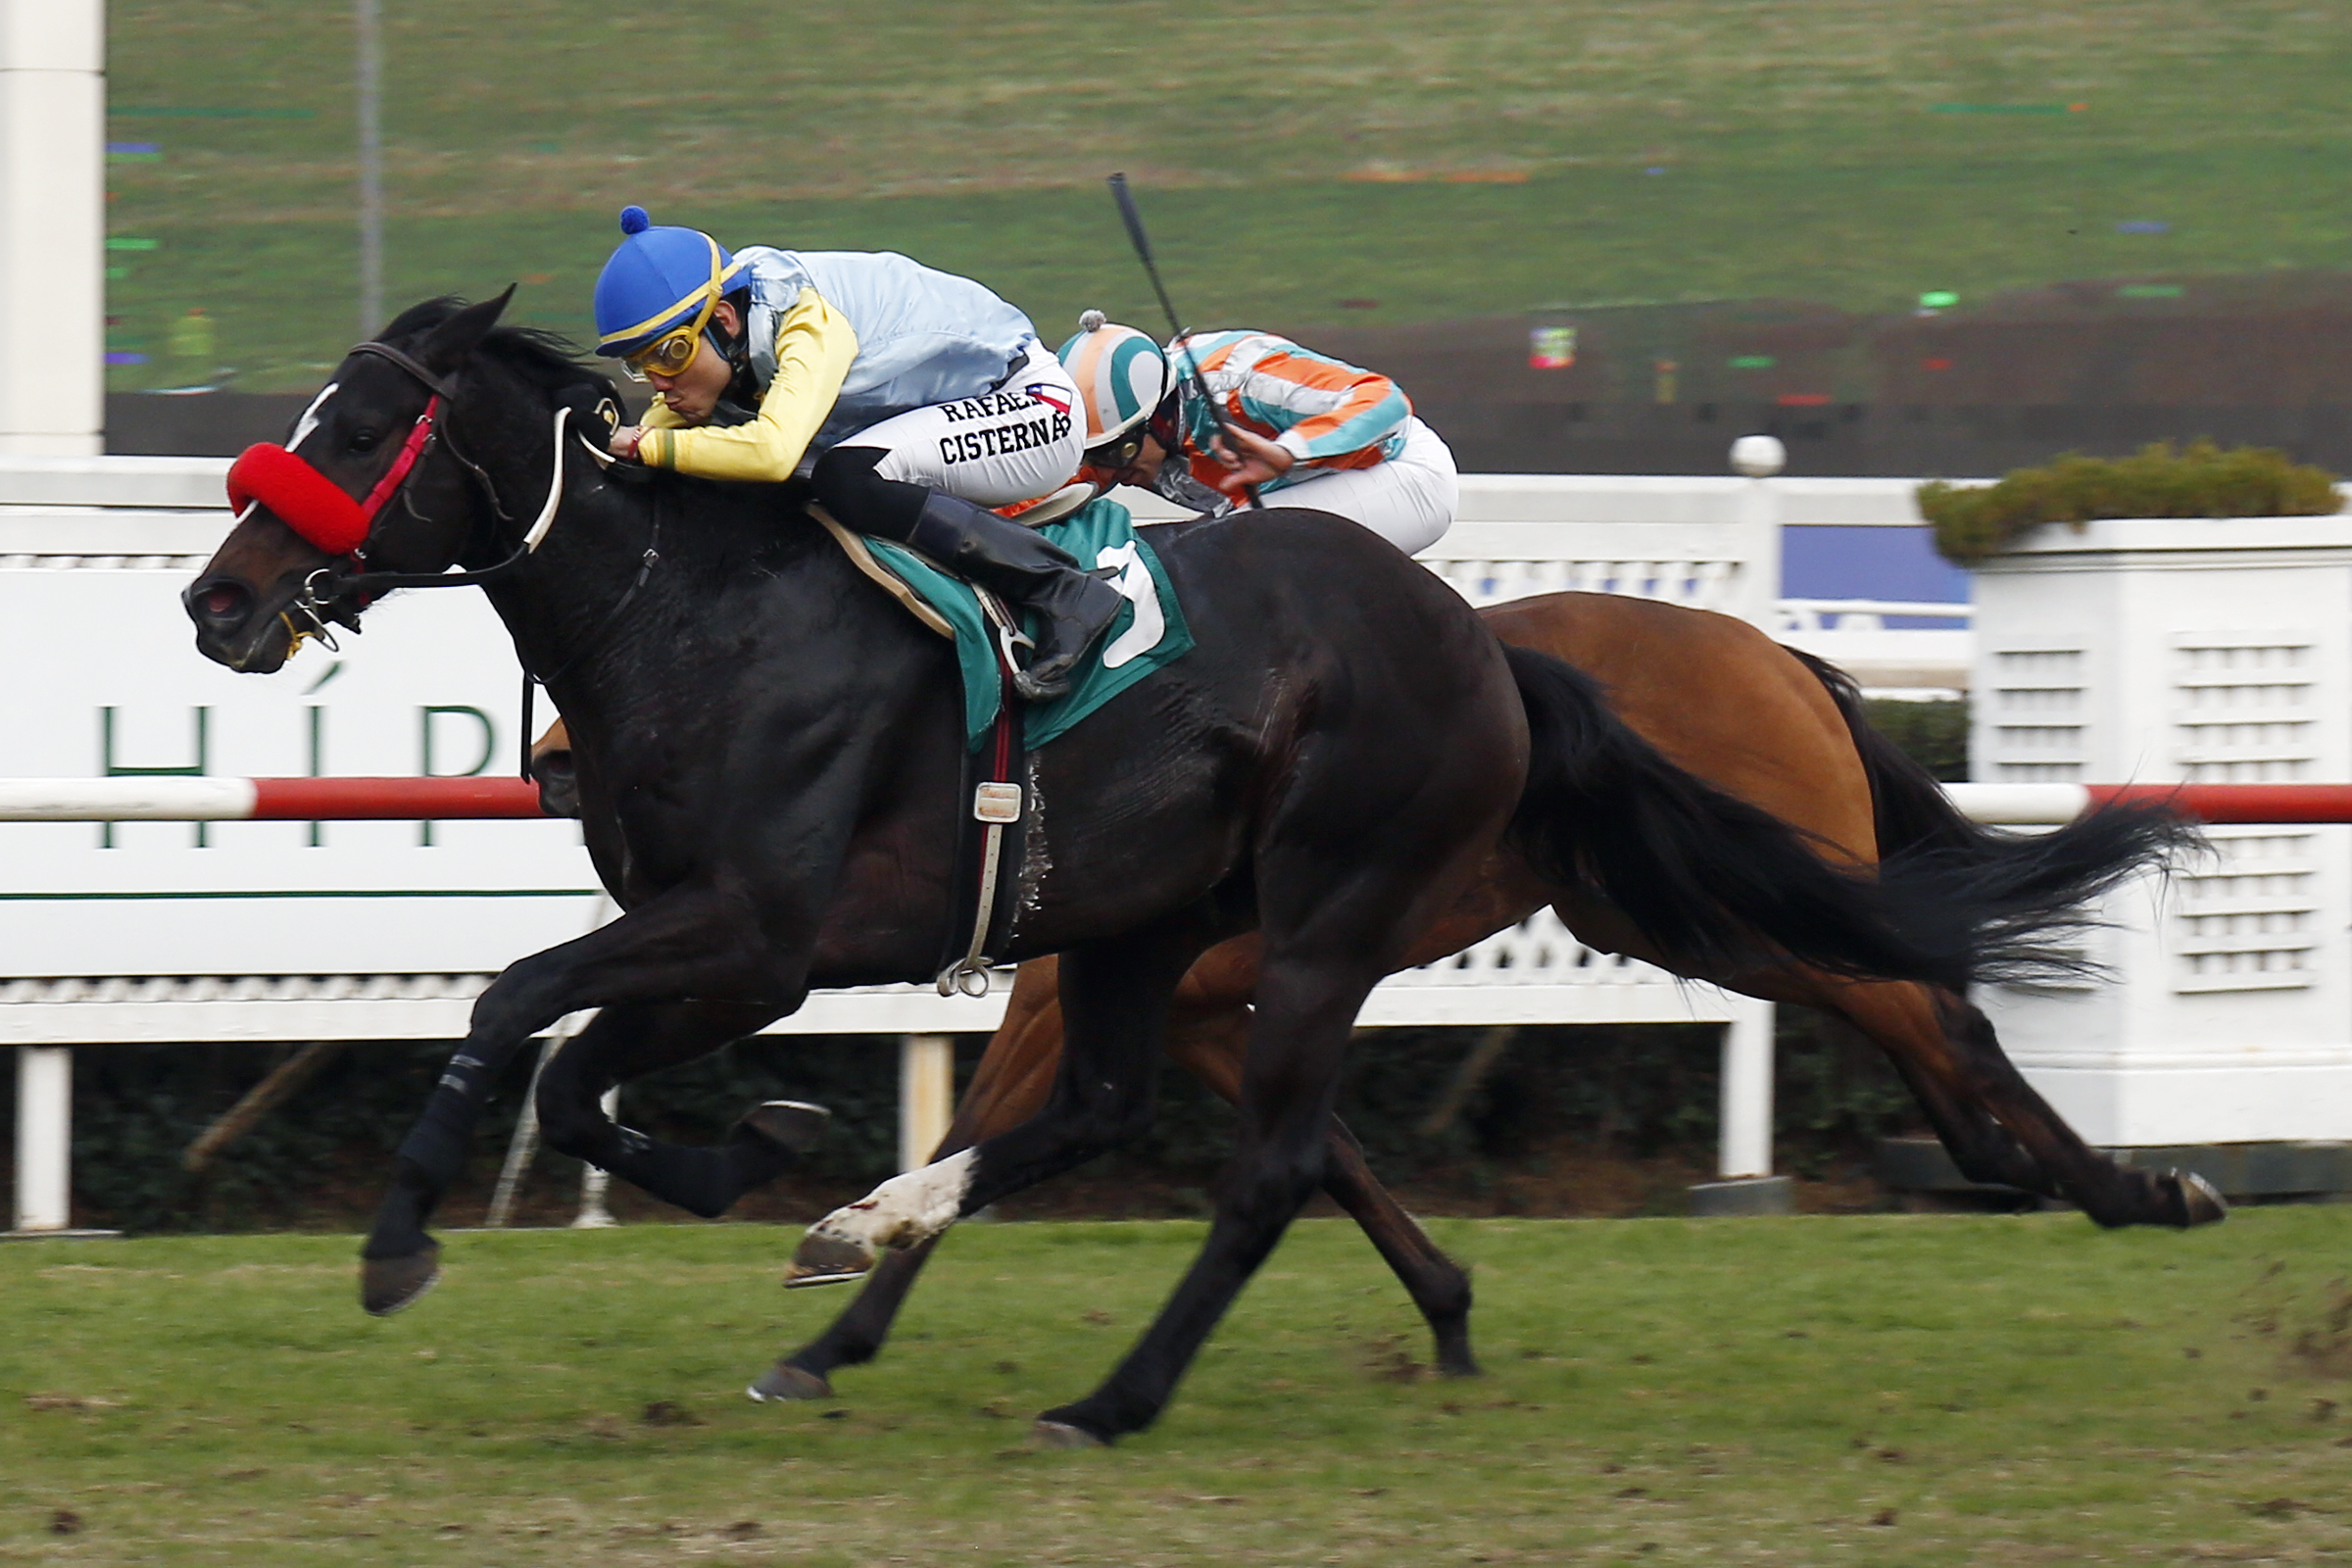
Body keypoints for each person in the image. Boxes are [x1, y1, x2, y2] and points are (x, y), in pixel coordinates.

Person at [592, 207, 1119, 700]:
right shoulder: (739, 327)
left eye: (670, 355)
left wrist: (642, 443)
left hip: (1032, 409)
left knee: (846, 477)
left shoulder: (803, 318)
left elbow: (772, 453)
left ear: (725, 319)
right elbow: (655, 434)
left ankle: (1063, 590)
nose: (659, 382)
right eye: (640, 365)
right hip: (963, 408)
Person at [1056, 313, 1459, 555]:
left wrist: (1288, 452)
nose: (1108, 472)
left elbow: (1385, 399)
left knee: (1232, 549)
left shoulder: (1242, 379)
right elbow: (1044, 494)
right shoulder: (1115, 440)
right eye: (1091, 455)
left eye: (1119, 452)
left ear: (1159, 418)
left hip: (1403, 473)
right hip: (1289, 501)